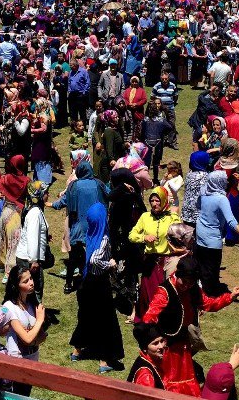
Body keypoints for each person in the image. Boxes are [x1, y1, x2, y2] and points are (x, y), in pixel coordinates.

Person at [142, 256, 239, 398]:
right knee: (167, 382)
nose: (186, 285)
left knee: (186, 380)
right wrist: (155, 342)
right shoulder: (164, 292)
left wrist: (230, 297)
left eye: (191, 282)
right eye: (184, 281)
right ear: (177, 274)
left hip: (183, 343)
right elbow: (149, 318)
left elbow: (208, 304)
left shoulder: (193, 289)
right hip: (167, 347)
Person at [70, 202, 125, 373]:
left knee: (86, 316)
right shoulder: (104, 238)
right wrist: (109, 264)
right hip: (100, 283)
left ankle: (77, 351)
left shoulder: (91, 233)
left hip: (87, 283)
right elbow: (94, 259)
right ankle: (104, 359)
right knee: (105, 320)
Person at [130, 186, 183, 319]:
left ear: (164, 201)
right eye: (152, 200)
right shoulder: (145, 217)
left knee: (165, 293)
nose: (154, 204)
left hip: (167, 262)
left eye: (158, 200)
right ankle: (147, 319)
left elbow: (180, 236)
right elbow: (132, 235)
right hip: (149, 262)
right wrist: (144, 238)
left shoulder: (172, 218)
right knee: (148, 293)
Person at [195, 171, 239, 297]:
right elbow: (231, 221)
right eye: (224, 180)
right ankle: (209, 296)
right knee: (212, 269)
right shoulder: (221, 199)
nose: (226, 182)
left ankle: (200, 291)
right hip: (213, 239)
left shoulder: (204, 193)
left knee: (202, 266)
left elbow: (197, 206)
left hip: (200, 235)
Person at [2, 265, 48, 394]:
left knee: (26, 395)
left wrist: (34, 337)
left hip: (32, 359)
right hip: (17, 362)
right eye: (25, 281)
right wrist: (39, 322)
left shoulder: (32, 304)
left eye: (31, 279)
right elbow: (27, 339)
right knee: (16, 398)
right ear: (16, 285)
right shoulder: (10, 307)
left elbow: (42, 336)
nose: (31, 283)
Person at [64, 159, 107, 293]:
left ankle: (68, 283)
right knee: (94, 253)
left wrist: (52, 204)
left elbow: (64, 200)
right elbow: (110, 193)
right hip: (95, 225)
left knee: (73, 256)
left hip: (78, 226)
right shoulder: (99, 184)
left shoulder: (73, 185)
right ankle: (89, 280)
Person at [0, 155, 29, 277]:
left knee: (1, 238)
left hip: (5, 212)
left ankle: (0, 264)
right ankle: (9, 271)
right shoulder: (26, 181)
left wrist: (0, 196)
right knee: (14, 243)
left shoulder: (5, 178)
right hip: (17, 215)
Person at [15, 181, 50, 303]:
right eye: (46, 193)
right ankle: (34, 317)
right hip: (29, 259)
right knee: (34, 290)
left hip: (27, 258)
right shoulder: (35, 213)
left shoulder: (34, 210)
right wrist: (34, 260)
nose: (48, 195)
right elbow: (32, 237)